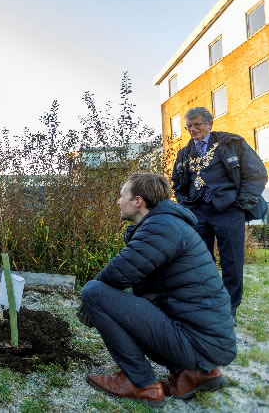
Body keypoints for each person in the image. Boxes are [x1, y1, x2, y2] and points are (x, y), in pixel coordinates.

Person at [78, 173, 236, 407]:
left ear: (138, 201)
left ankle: (139, 382)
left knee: (93, 292)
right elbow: (147, 294)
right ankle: (191, 373)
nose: (118, 202)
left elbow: (119, 272)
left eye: (122, 196)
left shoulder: (162, 227)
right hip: (205, 341)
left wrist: (90, 305)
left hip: (200, 342)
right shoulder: (166, 223)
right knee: (120, 300)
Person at [171, 107, 268, 324]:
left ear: (209, 124)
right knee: (199, 261)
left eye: (197, 124)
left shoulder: (232, 143)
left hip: (228, 211)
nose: (193, 129)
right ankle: (206, 303)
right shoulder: (184, 153)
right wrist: (186, 205)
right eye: (189, 126)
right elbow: (177, 183)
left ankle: (229, 308)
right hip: (198, 212)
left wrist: (241, 203)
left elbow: (257, 174)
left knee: (232, 261)